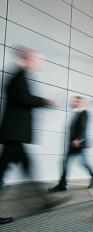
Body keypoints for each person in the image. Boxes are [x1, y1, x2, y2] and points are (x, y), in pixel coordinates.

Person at [0, 48, 66, 221]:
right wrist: (45, 101)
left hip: (14, 135)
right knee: (8, 171)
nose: (38, 62)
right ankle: (44, 202)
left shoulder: (20, 76)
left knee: (27, 168)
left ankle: (44, 202)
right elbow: (23, 99)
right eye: (35, 59)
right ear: (27, 58)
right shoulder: (17, 77)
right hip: (14, 134)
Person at [49, 96, 93, 192]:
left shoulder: (84, 113)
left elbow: (83, 127)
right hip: (73, 144)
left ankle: (62, 185)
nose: (75, 103)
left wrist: (78, 139)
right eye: (75, 101)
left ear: (83, 103)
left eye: (78, 101)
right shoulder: (76, 113)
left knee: (74, 163)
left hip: (79, 144)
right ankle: (63, 184)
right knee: (80, 163)